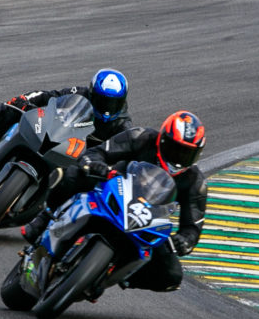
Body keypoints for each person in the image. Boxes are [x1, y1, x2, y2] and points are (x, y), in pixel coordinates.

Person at [23, 111, 208, 293]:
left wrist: (185, 241)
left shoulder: (195, 181)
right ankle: (43, 219)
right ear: (163, 140)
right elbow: (98, 152)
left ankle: (116, 276)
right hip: (114, 190)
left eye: (187, 153)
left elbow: (192, 227)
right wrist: (95, 164)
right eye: (176, 149)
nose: (179, 158)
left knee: (171, 276)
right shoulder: (141, 137)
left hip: (146, 221)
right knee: (72, 174)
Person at [0, 68, 132, 169]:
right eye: (103, 101)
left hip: (82, 160)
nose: (107, 108)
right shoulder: (80, 93)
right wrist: (24, 100)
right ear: (92, 93)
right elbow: (50, 95)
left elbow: (126, 154)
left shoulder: (123, 125)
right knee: (7, 111)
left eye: (113, 103)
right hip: (61, 135)